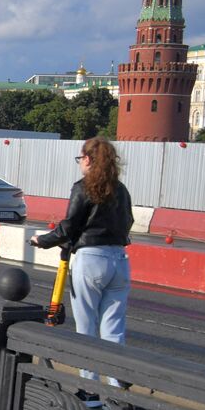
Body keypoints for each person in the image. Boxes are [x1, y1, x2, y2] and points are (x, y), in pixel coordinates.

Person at [31, 136, 133, 387]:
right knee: (113, 331)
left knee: (86, 331)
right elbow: (128, 222)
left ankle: (90, 393)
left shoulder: (83, 187)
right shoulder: (120, 189)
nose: (80, 164)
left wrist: (41, 240)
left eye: (80, 159)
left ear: (87, 159)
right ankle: (116, 393)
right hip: (120, 261)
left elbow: (68, 227)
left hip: (91, 261)